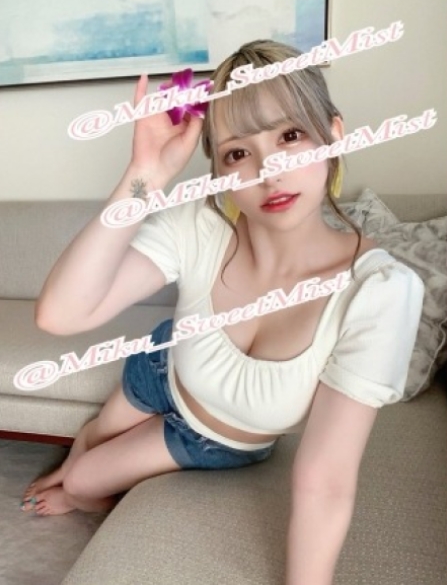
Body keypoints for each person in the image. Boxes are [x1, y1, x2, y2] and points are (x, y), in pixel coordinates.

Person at [21, 39, 423, 583]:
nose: (268, 171)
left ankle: (80, 485)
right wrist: (145, 174)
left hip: (217, 435)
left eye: (290, 135)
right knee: (88, 441)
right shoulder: (199, 226)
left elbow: (325, 480)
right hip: (166, 364)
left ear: (333, 133)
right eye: (237, 153)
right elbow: (60, 315)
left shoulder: (377, 292)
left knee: (84, 482)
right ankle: (84, 457)